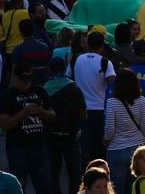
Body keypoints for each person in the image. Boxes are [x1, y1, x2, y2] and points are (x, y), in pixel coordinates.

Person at [0, 62, 54, 194]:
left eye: (28, 80)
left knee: (44, 186)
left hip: (38, 147)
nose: (26, 83)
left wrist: (41, 112)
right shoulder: (7, 96)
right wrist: (24, 112)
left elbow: (52, 116)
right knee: (19, 187)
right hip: (17, 149)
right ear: (15, 77)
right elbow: (4, 125)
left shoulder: (40, 91)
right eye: (23, 80)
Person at [104, 68, 145, 194]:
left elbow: (109, 130)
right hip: (138, 147)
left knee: (117, 188)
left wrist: (106, 141)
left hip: (117, 150)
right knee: (136, 187)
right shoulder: (141, 101)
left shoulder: (111, 103)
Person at [44, 55, 86, 194]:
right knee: (74, 173)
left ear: (50, 70)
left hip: (50, 136)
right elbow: (82, 112)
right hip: (71, 135)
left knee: (53, 172)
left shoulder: (43, 89)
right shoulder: (74, 88)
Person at [75, 30, 116, 165]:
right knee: (100, 148)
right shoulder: (105, 62)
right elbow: (113, 82)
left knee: (84, 146)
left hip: (81, 110)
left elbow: (70, 76)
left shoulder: (78, 59)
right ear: (102, 45)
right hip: (99, 110)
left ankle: (84, 177)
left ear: (88, 44)